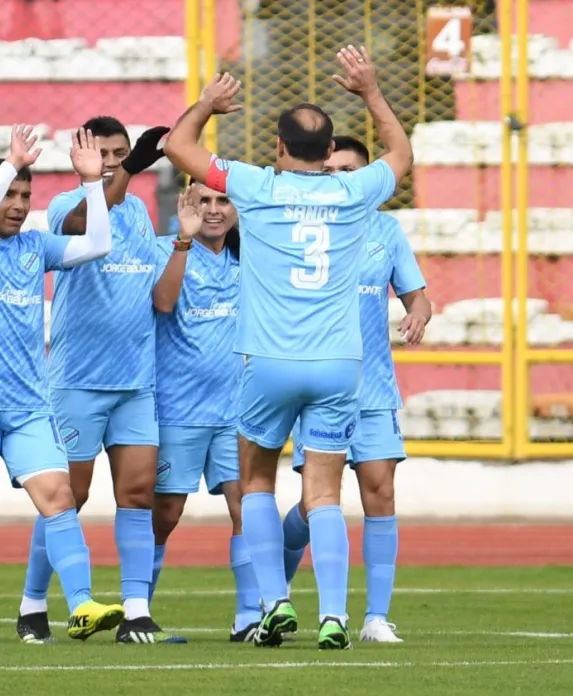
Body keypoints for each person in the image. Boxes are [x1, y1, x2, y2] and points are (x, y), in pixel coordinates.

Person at [163, 45, 414, 650]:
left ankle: (274, 603)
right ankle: (335, 617)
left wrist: (208, 104)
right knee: (323, 493)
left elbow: (177, 146)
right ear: (329, 154)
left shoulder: (255, 185)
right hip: (338, 364)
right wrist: (370, 92)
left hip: (268, 362)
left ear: (278, 147)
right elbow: (401, 154)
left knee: (255, 483)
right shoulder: (353, 192)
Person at [0, 125, 123, 646]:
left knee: (60, 497)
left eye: (25, 195)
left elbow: (98, 244)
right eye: (9, 194)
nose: (18, 205)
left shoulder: (35, 247)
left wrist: (92, 184)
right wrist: (10, 164)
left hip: (28, 409)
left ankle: (81, 604)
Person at [18, 116, 185, 644]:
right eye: (102, 152)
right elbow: (85, 223)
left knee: (137, 494)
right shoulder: (66, 206)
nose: (111, 161)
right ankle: (32, 605)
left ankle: (136, 611)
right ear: (80, 155)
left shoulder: (139, 213)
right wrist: (130, 168)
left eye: (119, 153)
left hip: (135, 381)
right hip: (78, 380)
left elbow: (154, 293)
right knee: (68, 496)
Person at [282, 134, 431, 644]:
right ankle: (277, 589)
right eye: (330, 170)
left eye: (350, 170)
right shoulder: (304, 229)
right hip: (321, 386)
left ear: (369, 179)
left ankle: (375, 618)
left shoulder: (386, 231)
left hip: (373, 389)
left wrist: (418, 313)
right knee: (314, 505)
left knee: (381, 494)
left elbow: (417, 295)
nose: (340, 179)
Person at [150, 182, 262, 642]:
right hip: (178, 409)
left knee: (246, 507)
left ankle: (248, 617)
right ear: (186, 205)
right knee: (166, 514)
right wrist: (184, 238)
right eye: (203, 202)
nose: (213, 211)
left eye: (223, 201)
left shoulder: (248, 259)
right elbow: (163, 302)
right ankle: (138, 610)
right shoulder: (166, 249)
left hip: (237, 410)